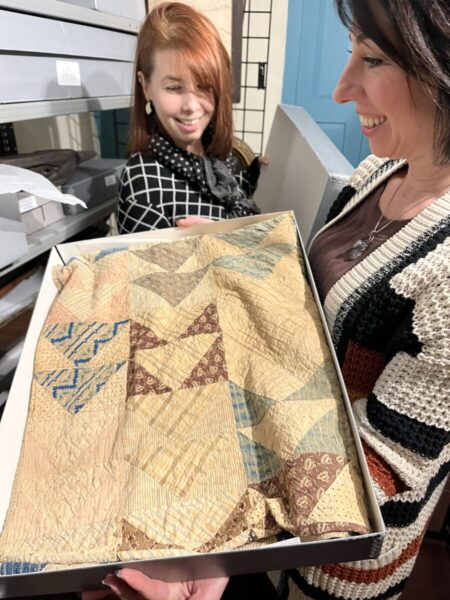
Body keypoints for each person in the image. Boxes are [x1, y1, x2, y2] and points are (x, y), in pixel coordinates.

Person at [84, 0, 449, 598]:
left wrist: (219, 545)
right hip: (270, 491)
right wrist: (242, 250)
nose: (339, 89)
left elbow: (384, 466)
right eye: (349, 52)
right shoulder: (375, 175)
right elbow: (315, 302)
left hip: (336, 551)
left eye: (372, 58)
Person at [117, 1, 264, 235]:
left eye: (205, 86)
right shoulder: (144, 181)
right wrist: (214, 244)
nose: (192, 106)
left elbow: (236, 200)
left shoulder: (221, 159)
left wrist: (258, 174)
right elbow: (145, 271)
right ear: (146, 86)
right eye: (174, 87)